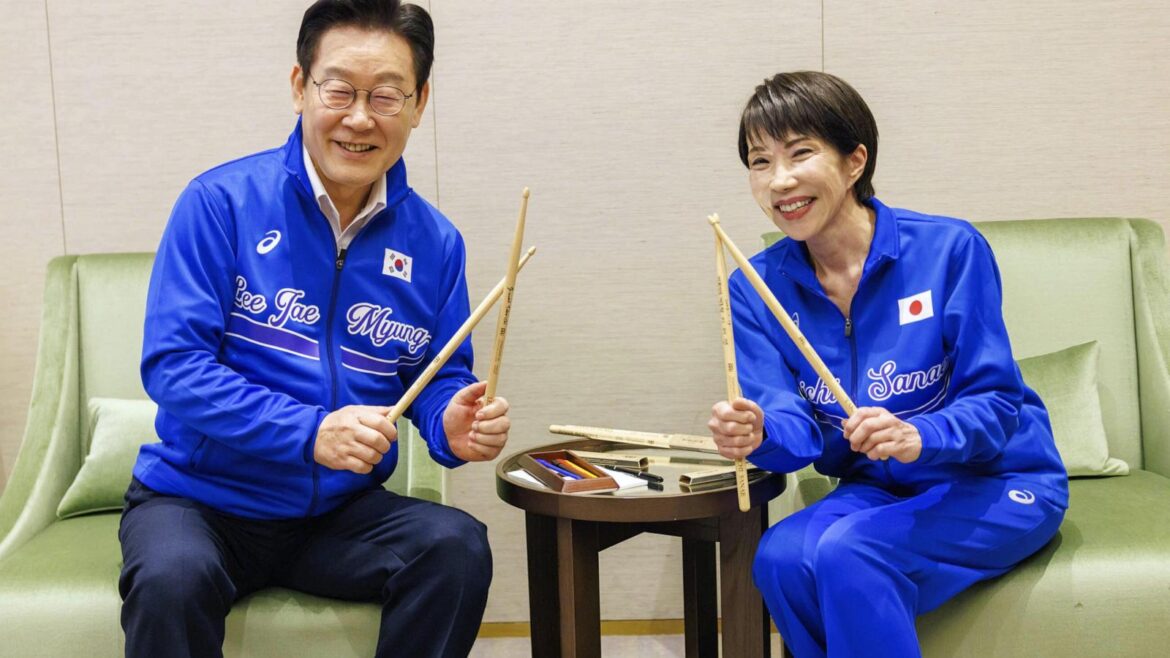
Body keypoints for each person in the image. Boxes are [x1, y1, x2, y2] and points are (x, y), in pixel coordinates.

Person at [118, 2, 508, 657]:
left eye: (386, 95)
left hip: (337, 513)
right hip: (202, 503)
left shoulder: (436, 244)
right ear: (300, 87)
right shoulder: (219, 204)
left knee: (456, 548)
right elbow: (175, 368)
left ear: (419, 103)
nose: (360, 118)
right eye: (340, 90)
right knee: (171, 578)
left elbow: (437, 375)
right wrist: (309, 433)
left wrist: (451, 421)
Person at [707, 71, 1068, 658]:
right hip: (877, 490)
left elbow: (997, 402)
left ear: (855, 161)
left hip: (999, 481)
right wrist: (759, 433)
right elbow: (791, 426)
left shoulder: (949, 250)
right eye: (759, 161)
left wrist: (918, 435)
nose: (780, 180)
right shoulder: (754, 290)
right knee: (780, 558)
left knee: (851, 552)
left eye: (800, 153)